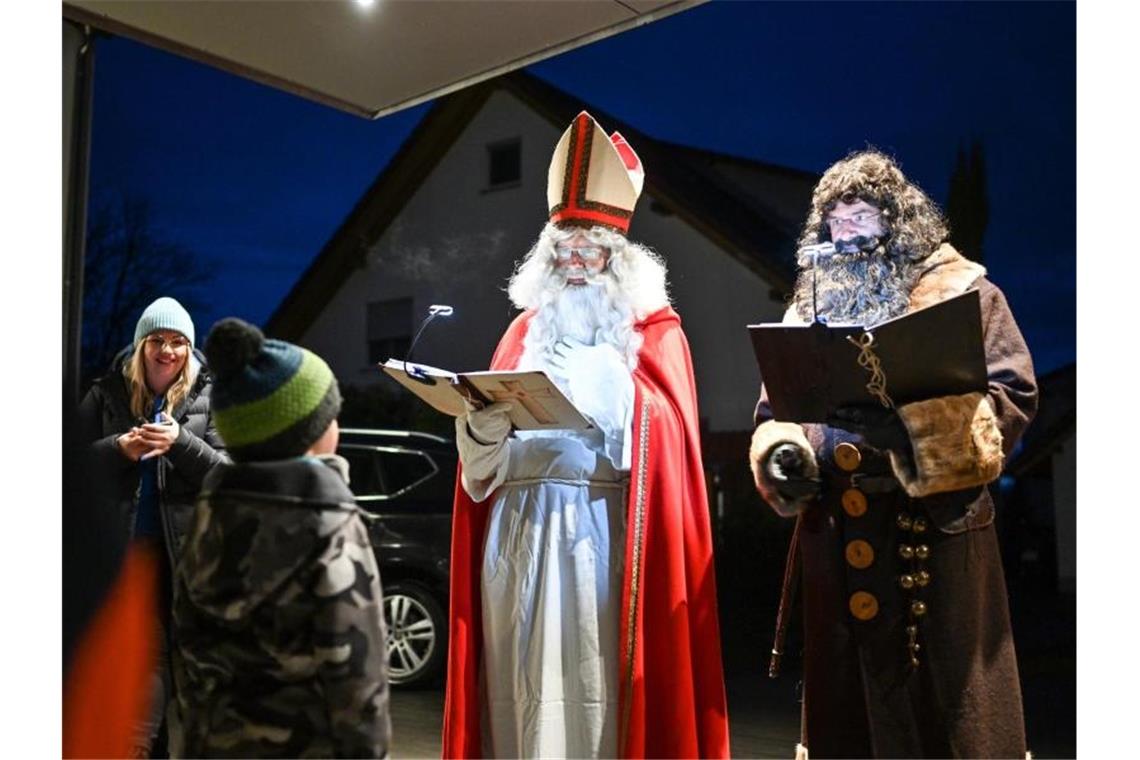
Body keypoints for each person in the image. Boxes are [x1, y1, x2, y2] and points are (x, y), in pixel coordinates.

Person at [443, 111, 730, 759]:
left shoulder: (652, 334)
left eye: (590, 246)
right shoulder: (521, 333)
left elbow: (673, 451)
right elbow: (479, 473)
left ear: (616, 256)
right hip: (516, 537)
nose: (575, 261)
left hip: (595, 535)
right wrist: (479, 430)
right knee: (516, 689)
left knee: (588, 685)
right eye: (564, 246)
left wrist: (619, 391)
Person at [748, 150, 1038, 758]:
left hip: (933, 532)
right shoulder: (807, 309)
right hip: (838, 533)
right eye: (836, 220)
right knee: (851, 720)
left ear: (895, 220)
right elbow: (778, 411)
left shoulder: (965, 292)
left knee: (948, 714)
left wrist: (909, 433)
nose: (847, 231)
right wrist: (785, 455)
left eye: (861, 216)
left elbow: (1012, 395)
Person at [168, 318, 391, 758]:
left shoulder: (210, 513)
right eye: (331, 415)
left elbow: (187, 645)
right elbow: (357, 673)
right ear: (308, 434)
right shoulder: (329, 521)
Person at [76, 296, 228, 757]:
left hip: (183, 557)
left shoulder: (211, 395)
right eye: (157, 341)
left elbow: (227, 476)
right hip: (119, 551)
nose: (168, 350)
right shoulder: (106, 393)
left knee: (176, 667)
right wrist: (117, 449)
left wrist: (181, 442)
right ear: (141, 346)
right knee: (128, 659)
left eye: (178, 342)